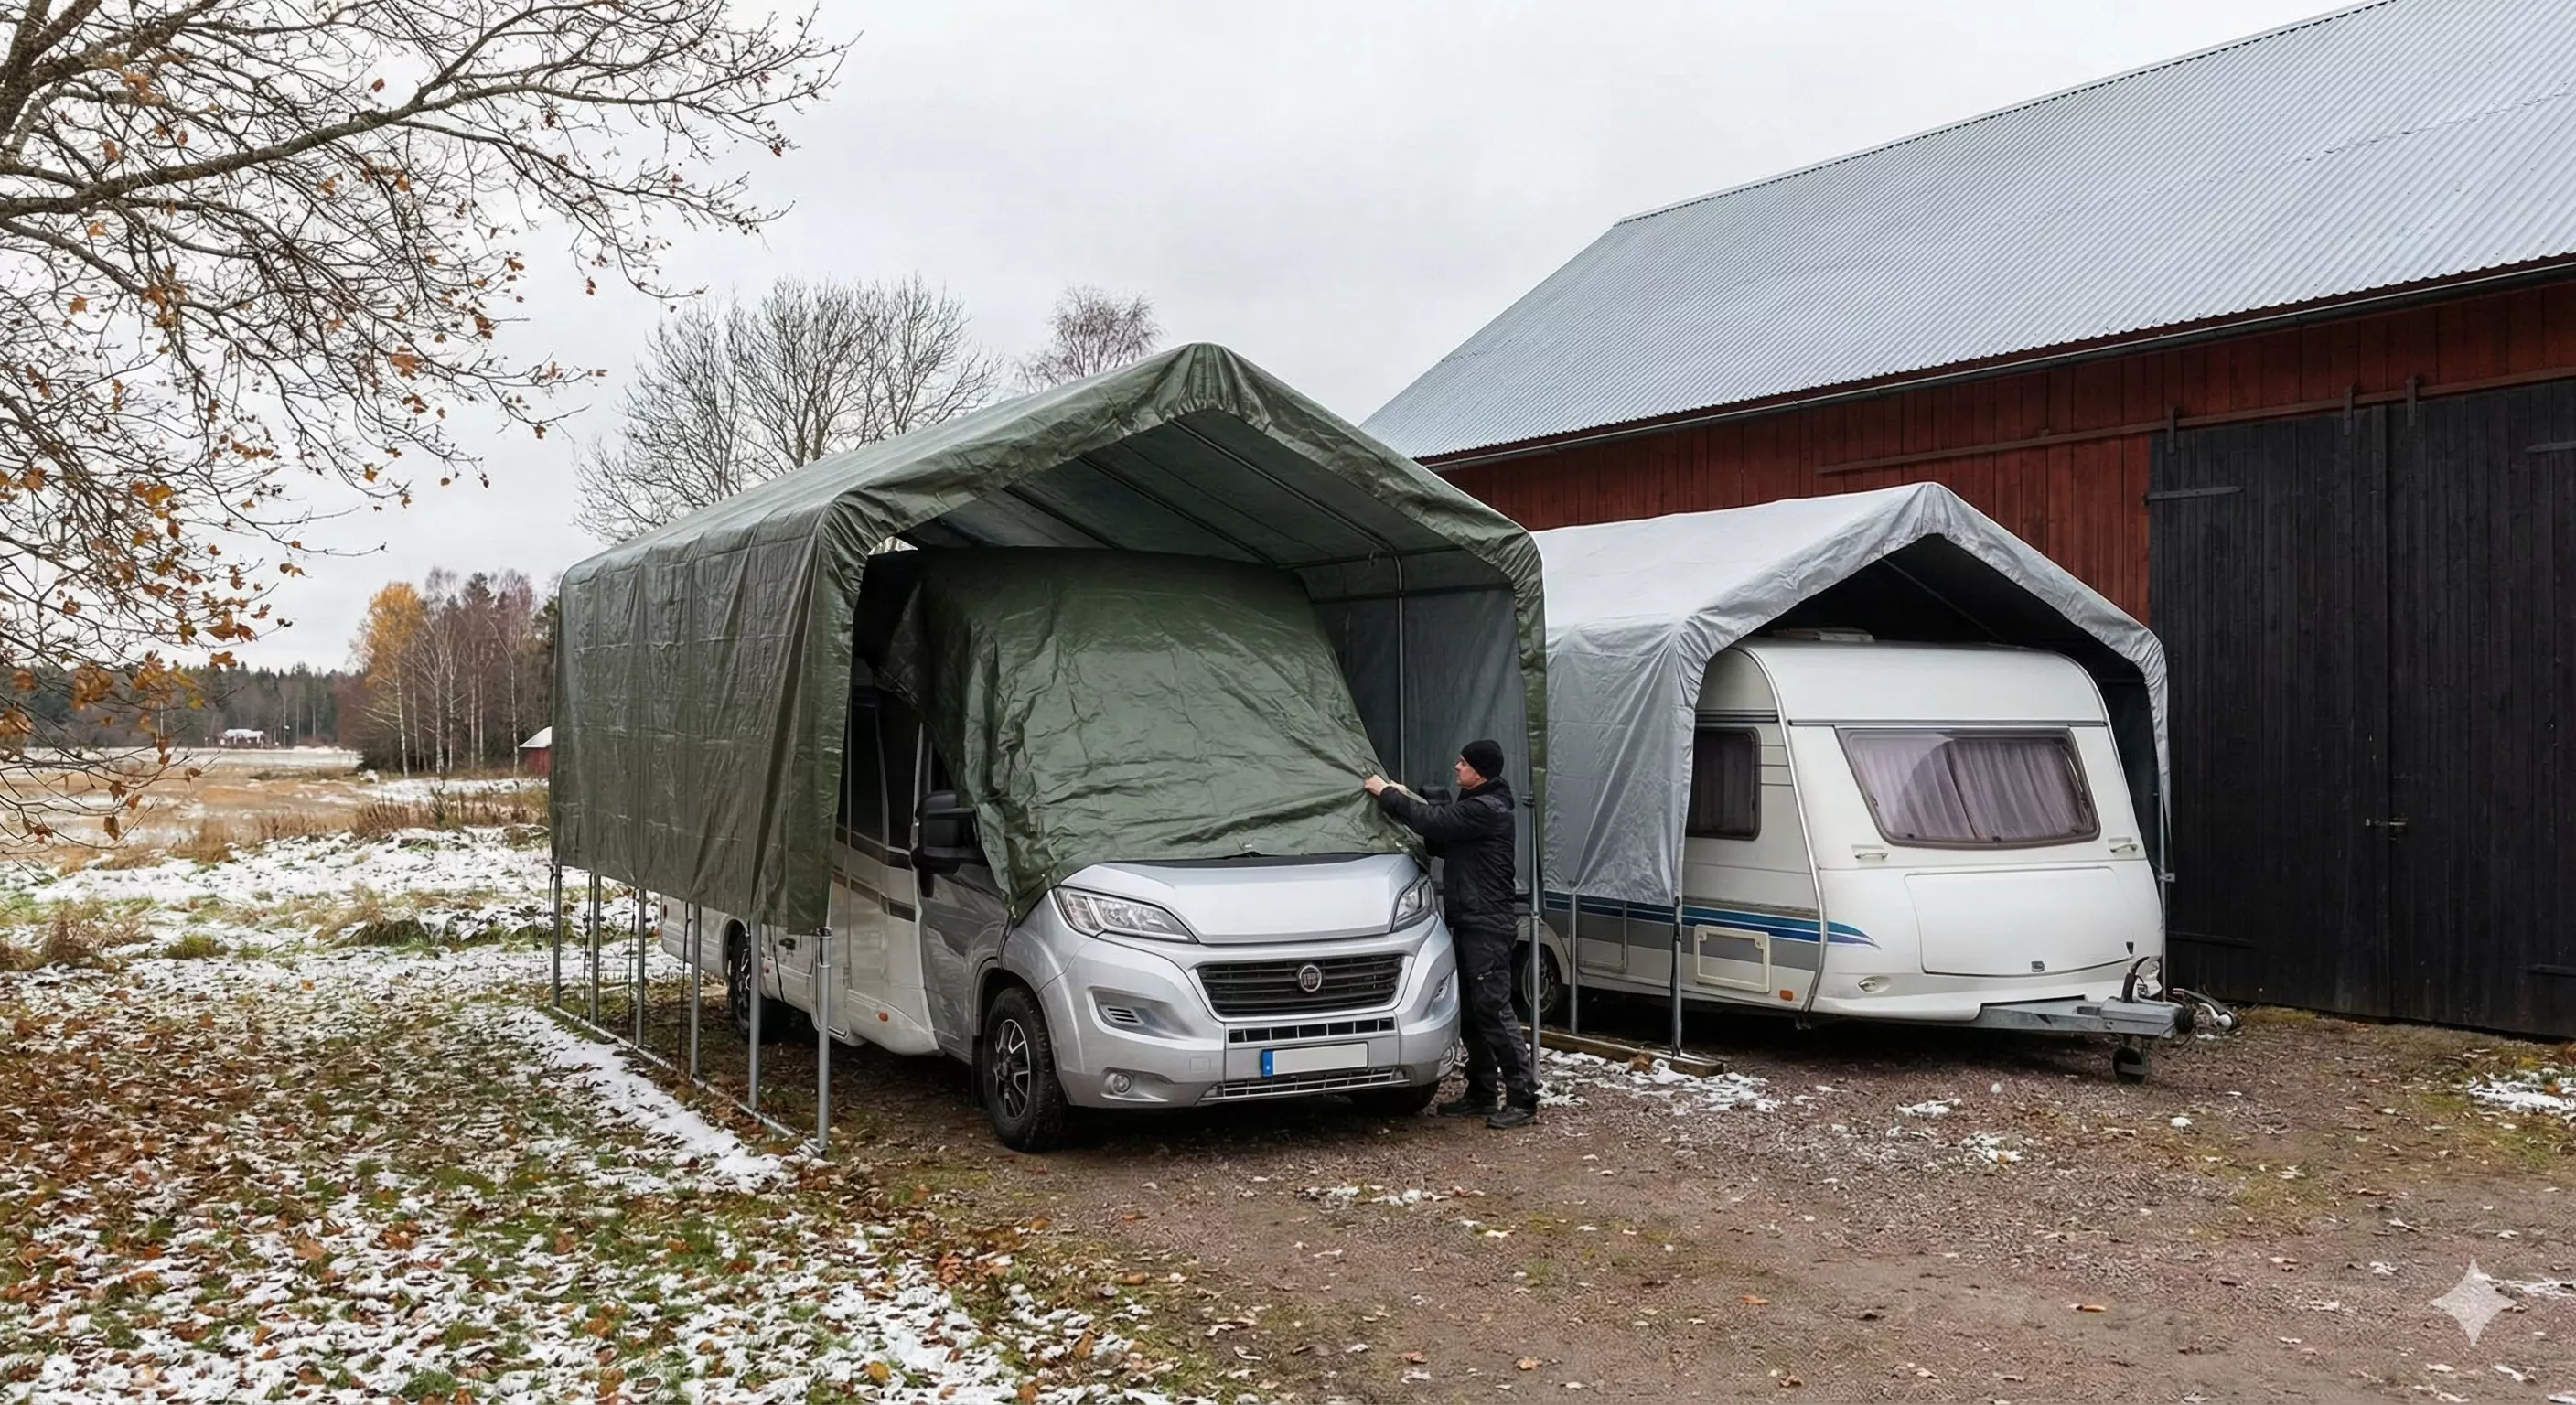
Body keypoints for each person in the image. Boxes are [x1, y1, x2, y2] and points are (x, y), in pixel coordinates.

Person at [1363, 739, 1540, 1129]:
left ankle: (1523, 1097)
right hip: (1470, 921)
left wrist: (1389, 794)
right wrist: (1410, 801)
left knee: (1492, 1008)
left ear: (1481, 771)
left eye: (1463, 762)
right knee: (1474, 1014)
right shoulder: (1474, 806)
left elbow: (1435, 823)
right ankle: (1481, 1092)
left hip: (1487, 925)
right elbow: (1440, 838)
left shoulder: (1488, 809)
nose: (1456, 767)